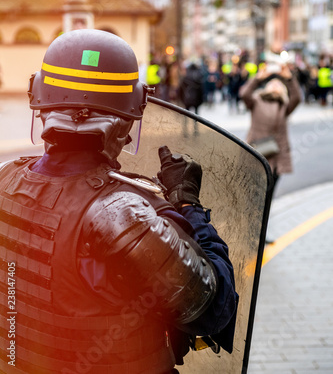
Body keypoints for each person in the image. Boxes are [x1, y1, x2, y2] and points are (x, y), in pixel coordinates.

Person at [0, 29, 238, 374]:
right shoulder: (123, 214)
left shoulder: (5, 178)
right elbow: (213, 309)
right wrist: (188, 205)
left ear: (41, 105)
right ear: (123, 123)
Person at [239, 64, 302, 199]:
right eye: (272, 83)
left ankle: (265, 219)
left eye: (278, 84)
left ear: (283, 91)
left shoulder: (284, 106)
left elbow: (297, 98)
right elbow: (244, 93)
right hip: (257, 151)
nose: (275, 85)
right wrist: (258, 78)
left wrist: (289, 78)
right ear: (266, 87)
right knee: (252, 194)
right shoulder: (256, 100)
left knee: (268, 195)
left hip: (277, 155)